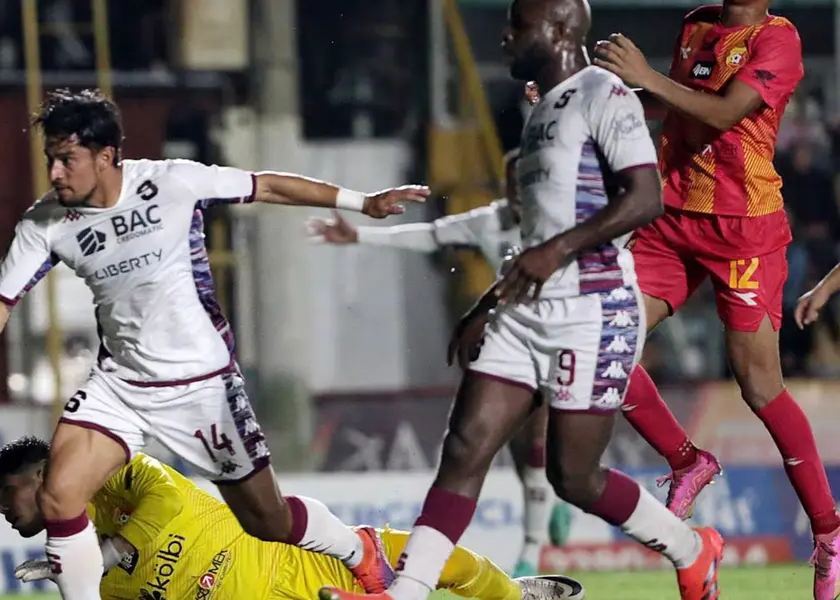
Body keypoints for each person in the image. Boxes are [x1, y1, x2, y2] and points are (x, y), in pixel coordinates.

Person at [0, 88, 431, 600]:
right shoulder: (45, 222)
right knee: (59, 496)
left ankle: (360, 550)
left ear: (105, 156)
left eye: (66, 159)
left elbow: (267, 185)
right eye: (50, 158)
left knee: (268, 521)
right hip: (120, 385)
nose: (54, 172)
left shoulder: (172, 182)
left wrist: (361, 202)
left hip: (202, 387)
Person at [321, 0, 725, 598]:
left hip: (592, 310)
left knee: (573, 477)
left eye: (519, 25)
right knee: (465, 446)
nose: (506, 36)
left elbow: (644, 198)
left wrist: (556, 252)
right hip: (526, 310)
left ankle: (692, 549)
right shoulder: (540, 110)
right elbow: (538, 233)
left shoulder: (604, 93)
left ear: (559, 29)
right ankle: (406, 593)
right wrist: (490, 302)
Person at [593, 3, 840, 597]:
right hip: (672, 217)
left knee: (759, 387)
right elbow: (675, 105)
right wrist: (588, 96)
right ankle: (687, 461)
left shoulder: (777, 39)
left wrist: (647, 76)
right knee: (603, 346)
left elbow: (727, 112)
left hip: (743, 228)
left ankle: (829, 531)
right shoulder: (697, 22)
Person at [305, 149, 574, 577]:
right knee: (523, 447)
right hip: (514, 339)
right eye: (513, 182)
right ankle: (551, 500)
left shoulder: (564, 220)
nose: (520, 191)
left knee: (542, 440)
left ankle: (532, 549)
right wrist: (359, 237)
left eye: (526, 181)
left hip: (565, 337)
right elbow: (431, 235)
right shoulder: (490, 221)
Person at [0, 436, 587, 600]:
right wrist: (87, 567)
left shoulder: (113, 474)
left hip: (297, 559)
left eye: (6, 492)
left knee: (438, 560)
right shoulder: (77, 566)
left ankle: (517, 596)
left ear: (41, 475)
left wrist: (112, 552)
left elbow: (169, 499)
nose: (1, 508)